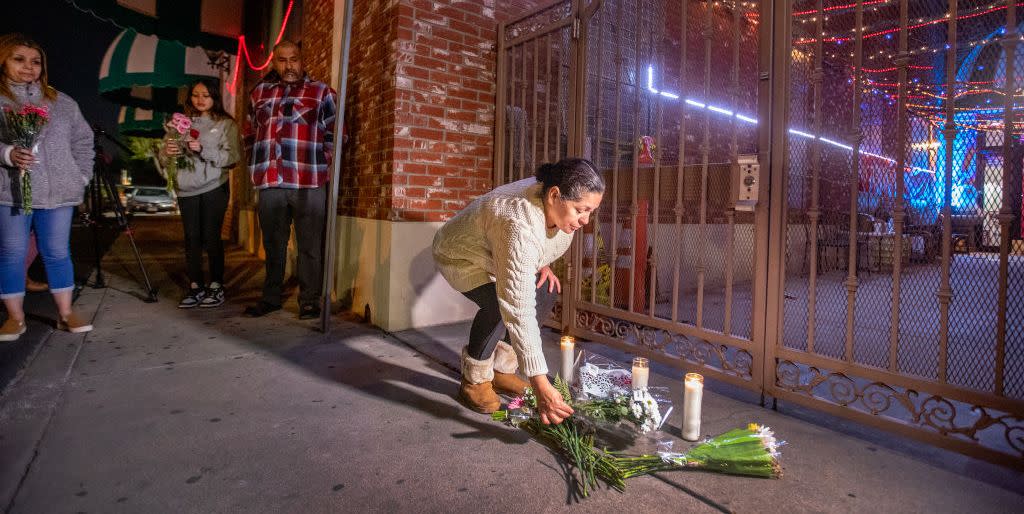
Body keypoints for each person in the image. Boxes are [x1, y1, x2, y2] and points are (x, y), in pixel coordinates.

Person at [432, 158, 605, 424]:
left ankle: (502, 371)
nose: (586, 220)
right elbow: (518, 307)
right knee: (500, 306)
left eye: (591, 211)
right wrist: (539, 382)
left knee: (545, 288)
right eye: (581, 210)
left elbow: (539, 239)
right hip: (461, 255)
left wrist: (542, 262)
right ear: (554, 195)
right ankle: (474, 380)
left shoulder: (553, 200)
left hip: (497, 250)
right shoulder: (517, 223)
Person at [0, 34, 94, 341]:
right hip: (10, 193)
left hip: (58, 194)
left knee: (56, 252)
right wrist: (7, 154)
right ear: (4, 61)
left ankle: (66, 314)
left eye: (35, 61)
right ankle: (15, 317)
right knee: (12, 253)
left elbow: (83, 141)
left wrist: (80, 177)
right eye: (19, 59)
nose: (28, 67)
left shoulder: (62, 102)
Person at [243, 40, 337, 320]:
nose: (289, 66)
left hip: (309, 180)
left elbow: (336, 133)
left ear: (302, 59)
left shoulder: (322, 93)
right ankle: (271, 297)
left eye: (294, 59)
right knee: (273, 245)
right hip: (270, 180)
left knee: (310, 246)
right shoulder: (258, 92)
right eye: (282, 60)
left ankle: (309, 300)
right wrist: (255, 164)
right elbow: (249, 133)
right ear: (274, 62)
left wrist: (324, 163)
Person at [163, 78, 240, 309]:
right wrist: (168, 152)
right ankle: (195, 286)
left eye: (206, 95)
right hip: (186, 189)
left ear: (215, 97)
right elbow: (164, 158)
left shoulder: (226, 124)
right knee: (191, 239)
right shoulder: (178, 124)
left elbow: (233, 157)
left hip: (213, 186)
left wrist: (204, 149)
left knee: (211, 237)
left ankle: (216, 285)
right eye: (196, 95)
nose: (200, 100)